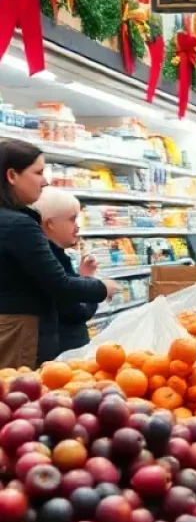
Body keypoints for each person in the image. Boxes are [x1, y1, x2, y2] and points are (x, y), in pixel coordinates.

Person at [0, 142, 113, 367]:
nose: (45, 181)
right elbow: (59, 285)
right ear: (12, 175)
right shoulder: (19, 225)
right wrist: (101, 287)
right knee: (18, 394)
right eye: (38, 172)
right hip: (19, 331)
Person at [35, 187, 99, 353]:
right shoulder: (50, 260)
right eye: (72, 219)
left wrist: (81, 276)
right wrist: (92, 284)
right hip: (62, 355)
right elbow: (76, 311)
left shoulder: (55, 255)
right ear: (51, 224)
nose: (77, 226)